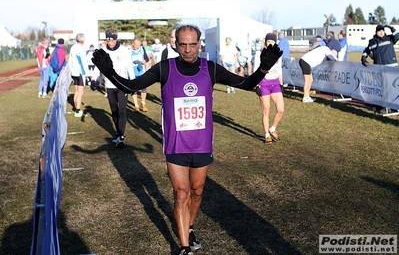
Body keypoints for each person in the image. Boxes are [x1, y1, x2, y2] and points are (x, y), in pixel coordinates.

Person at [91, 24, 282, 255]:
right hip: (176, 143)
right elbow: (131, 87)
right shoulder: (164, 68)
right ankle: (184, 248)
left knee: (197, 191)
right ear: (176, 44)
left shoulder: (210, 68)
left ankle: (189, 226)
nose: (188, 50)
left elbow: (247, 84)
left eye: (193, 44)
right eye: (183, 44)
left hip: (202, 143)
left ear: (199, 44)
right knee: (181, 193)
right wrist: (108, 71)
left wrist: (263, 67)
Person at [102, 28, 135, 147]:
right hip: (110, 85)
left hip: (122, 84)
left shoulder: (124, 51)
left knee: (121, 110)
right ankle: (117, 132)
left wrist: (133, 82)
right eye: (108, 40)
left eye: (112, 40)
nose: (110, 43)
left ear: (116, 39)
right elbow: (99, 66)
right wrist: (95, 78)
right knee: (114, 111)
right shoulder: (103, 51)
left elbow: (129, 66)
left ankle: (121, 136)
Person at [361, 24, 399, 113]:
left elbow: (397, 36)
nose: (381, 32)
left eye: (383, 30)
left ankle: (389, 106)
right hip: (379, 68)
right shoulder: (372, 42)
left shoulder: (390, 38)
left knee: (391, 87)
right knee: (382, 87)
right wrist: (363, 58)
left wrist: (390, 27)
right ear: (376, 32)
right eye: (379, 31)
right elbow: (366, 50)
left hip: (391, 67)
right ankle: (382, 105)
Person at [256, 33, 284, 144]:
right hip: (264, 83)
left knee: (280, 110)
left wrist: (281, 84)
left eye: (273, 42)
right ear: (266, 42)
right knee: (266, 109)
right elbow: (256, 69)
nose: (271, 44)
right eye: (269, 42)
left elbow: (279, 70)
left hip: (275, 83)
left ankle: (272, 129)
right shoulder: (260, 53)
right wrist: (257, 85)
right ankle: (267, 134)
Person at [299, 37, 337, 103]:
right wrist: (337, 60)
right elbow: (332, 57)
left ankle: (307, 96)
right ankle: (305, 97)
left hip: (305, 61)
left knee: (310, 80)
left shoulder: (321, 49)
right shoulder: (325, 48)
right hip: (305, 62)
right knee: (307, 80)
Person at [69, 33, 90, 117]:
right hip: (79, 72)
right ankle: (77, 110)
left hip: (74, 72)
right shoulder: (81, 49)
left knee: (77, 91)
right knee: (80, 91)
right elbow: (83, 62)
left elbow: (70, 60)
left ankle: (76, 108)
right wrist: (87, 73)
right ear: (83, 40)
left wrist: (71, 70)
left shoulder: (73, 47)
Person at [131, 37, 150, 112]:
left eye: (138, 45)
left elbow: (147, 59)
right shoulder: (129, 51)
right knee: (134, 90)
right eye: (136, 45)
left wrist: (144, 61)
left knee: (143, 89)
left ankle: (143, 103)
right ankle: (136, 105)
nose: (137, 47)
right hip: (133, 73)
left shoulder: (142, 49)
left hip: (141, 72)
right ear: (133, 43)